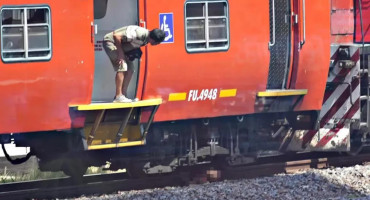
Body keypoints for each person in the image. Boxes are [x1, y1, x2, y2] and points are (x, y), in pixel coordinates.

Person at [103, 25, 165, 103]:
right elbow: (117, 36)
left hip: (121, 47)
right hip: (111, 42)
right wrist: (120, 54)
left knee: (130, 69)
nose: (157, 44)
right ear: (153, 39)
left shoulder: (146, 39)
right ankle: (118, 96)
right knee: (122, 66)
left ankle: (123, 95)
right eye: (157, 42)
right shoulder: (139, 33)